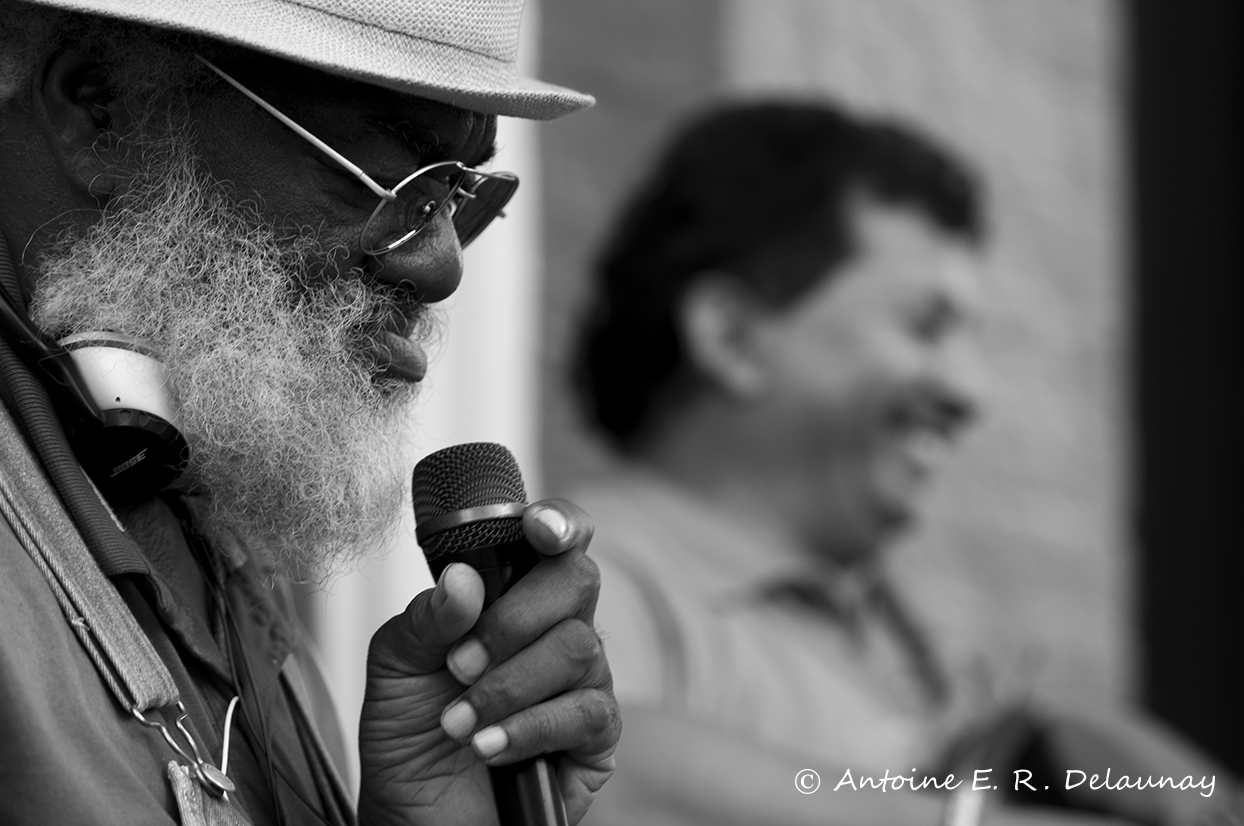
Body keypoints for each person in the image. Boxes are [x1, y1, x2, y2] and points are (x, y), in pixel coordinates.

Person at [0, 2, 619, 825]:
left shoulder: (205, 539)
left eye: (459, 196)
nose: (442, 268)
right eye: (402, 181)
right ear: (99, 110)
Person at [570, 102, 1236, 826]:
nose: (969, 391)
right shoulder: (592, 581)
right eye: (926, 326)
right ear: (733, 337)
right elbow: (602, 781)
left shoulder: (909, 647)